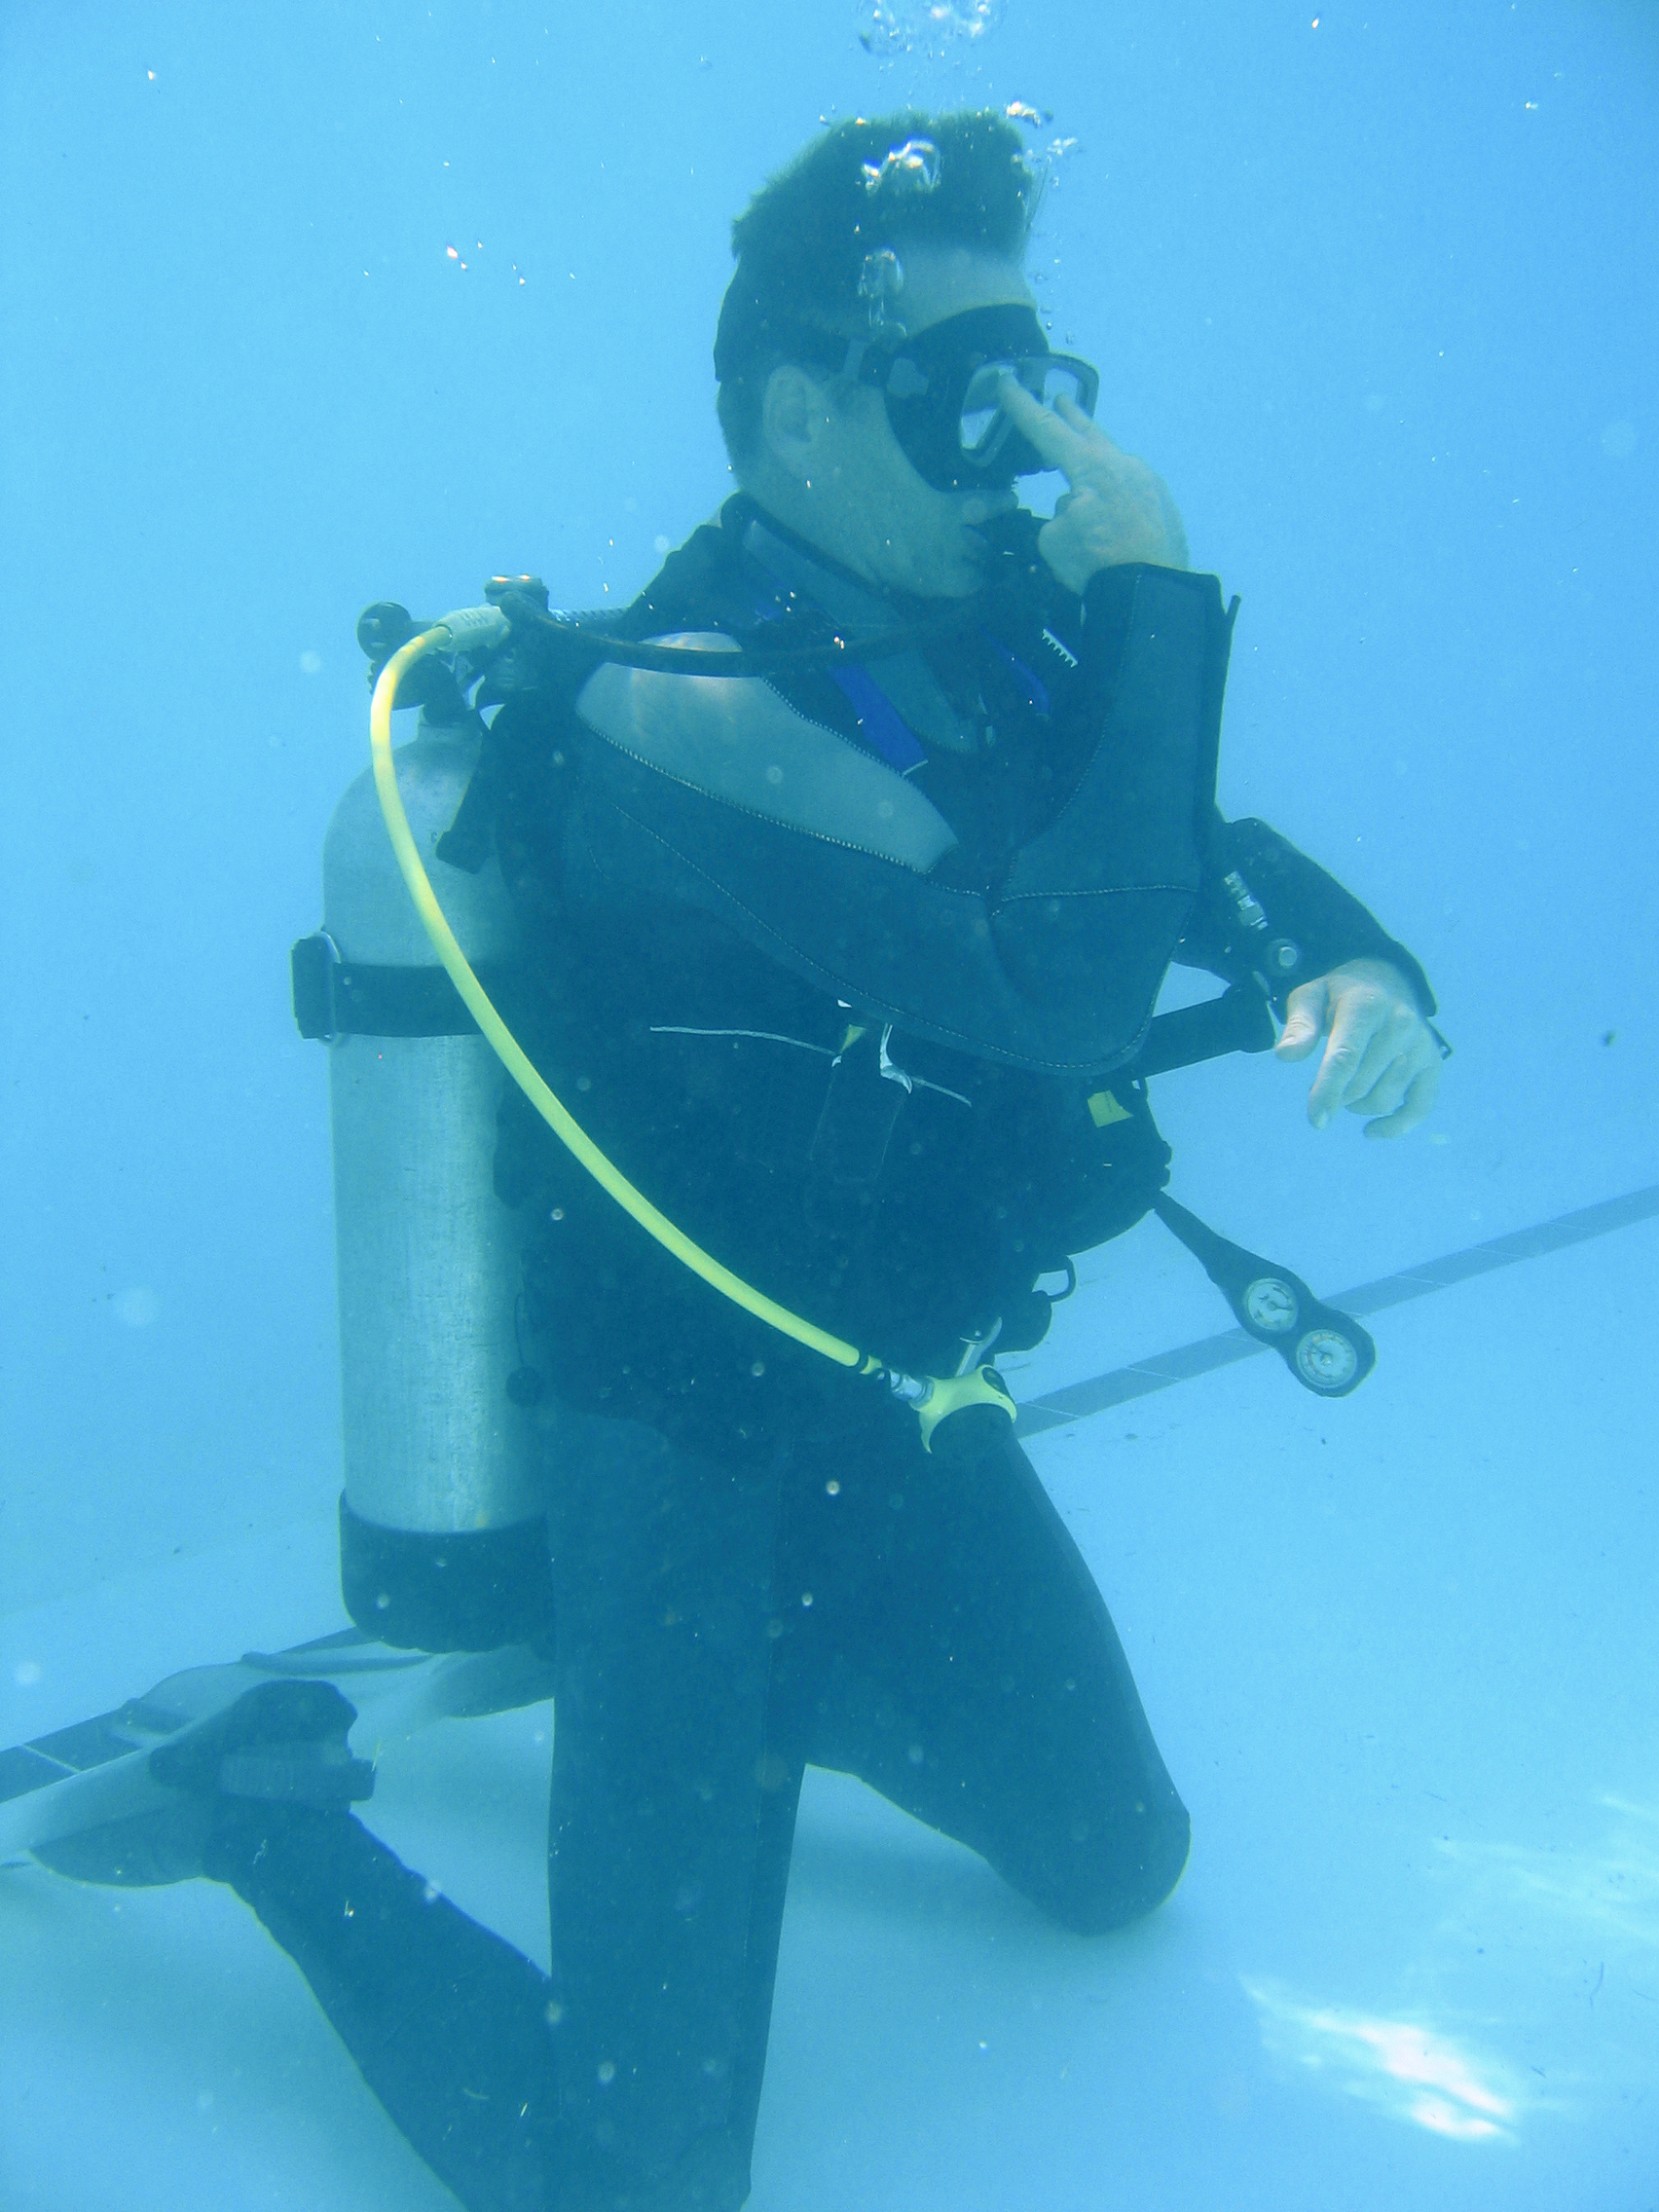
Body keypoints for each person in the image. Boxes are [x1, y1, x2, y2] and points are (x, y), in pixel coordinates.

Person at [40, 110, 1442, 2212]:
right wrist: (1154, 587)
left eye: (1053, 388)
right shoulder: (686, 700)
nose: (1034, 450)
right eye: (975, 399)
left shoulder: (978, 631)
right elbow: (1058, 977)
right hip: (680, 1441)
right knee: (635, 2171)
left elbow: (1171, 852)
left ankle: (756, 1700)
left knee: (1116, 1859)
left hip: (886, 1395)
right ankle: (260, 1801)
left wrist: (1345, 952)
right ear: (800, 407)